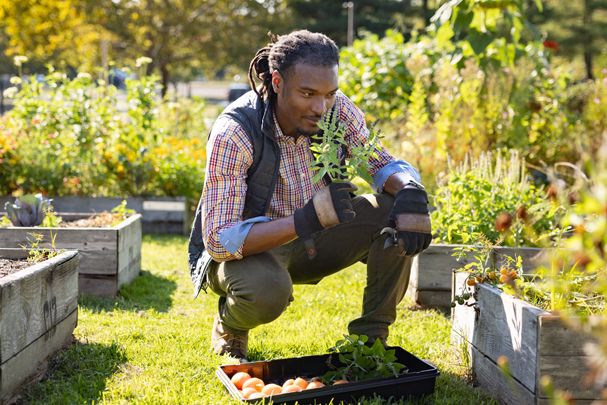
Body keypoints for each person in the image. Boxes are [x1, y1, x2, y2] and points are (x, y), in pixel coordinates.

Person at [188, 30, 432, 362]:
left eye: (329, 93)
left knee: (397, 210)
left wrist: (410, 190)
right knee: (265, 293)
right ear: (277, 82)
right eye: (307, 93)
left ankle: (371, 341)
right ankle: (230, 325)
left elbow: (379, 161)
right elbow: (218, 240)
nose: (321, 107)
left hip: (320, 237)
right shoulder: (235, 131)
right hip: (253, 252)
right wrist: (304, 219)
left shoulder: (335, 108)